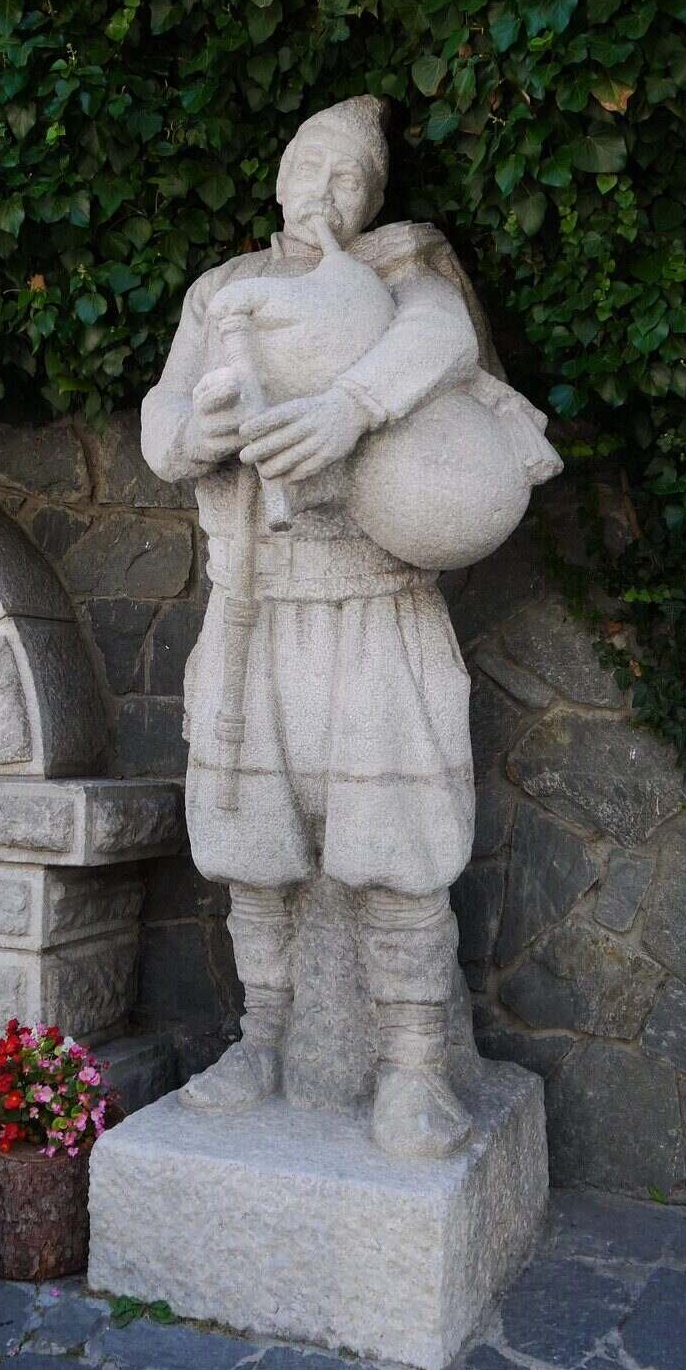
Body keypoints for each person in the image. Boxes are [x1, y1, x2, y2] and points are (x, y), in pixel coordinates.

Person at [142, 96, 503, 1156]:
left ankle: (415, 1065)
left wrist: (351, 406)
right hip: (255, 602)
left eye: (352, 178)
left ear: (371, 200)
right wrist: (193, 434)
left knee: (399, 838)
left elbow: (443, 337)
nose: (329, 191)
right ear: (281, 178)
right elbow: (162, 412)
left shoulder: (403, 272)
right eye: (313, 167)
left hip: (376, 597)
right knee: (251, 839)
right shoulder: (224, 289)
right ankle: (262, 1036)